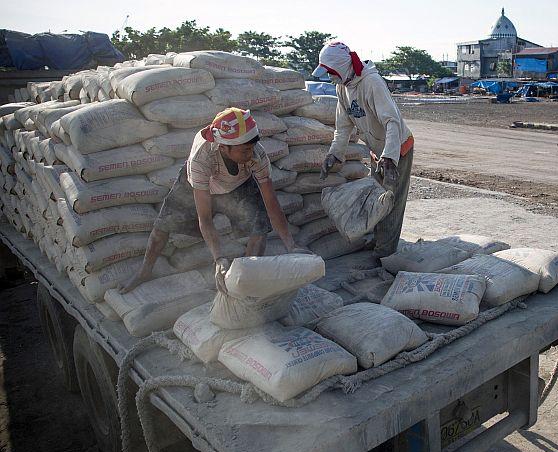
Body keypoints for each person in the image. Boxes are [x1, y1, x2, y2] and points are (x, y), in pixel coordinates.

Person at [120, 108, 300, 293]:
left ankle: (243, 282)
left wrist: (291, 245)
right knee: (162, 226)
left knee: (259, 229)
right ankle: (145, 270)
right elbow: (204, 218)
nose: (250, 154)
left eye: (252, 148)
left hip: (239, 185)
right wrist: (219, 259)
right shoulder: (201, 158)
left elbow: (271, 203)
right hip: (198, 187)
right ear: (223, 147)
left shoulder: (256, 155)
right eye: (245, 150)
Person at [313, 41, 414, 259]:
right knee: (374, 200)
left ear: (340, 67)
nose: (329, 78)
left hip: (398, 149)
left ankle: (385, 253)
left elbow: (392, 122)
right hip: (378, 151)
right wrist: (334, 154)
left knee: (390, 201)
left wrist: (390, 158)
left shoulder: (372, 82)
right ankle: (378, 242)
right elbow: (343, 127)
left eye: (330, 73)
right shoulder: (342, 87)